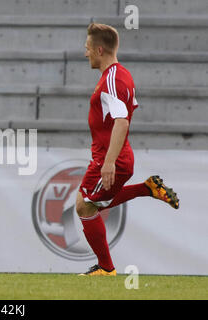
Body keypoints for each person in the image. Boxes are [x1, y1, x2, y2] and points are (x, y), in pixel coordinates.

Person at [77, 23, 179, 276]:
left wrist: (109, 162)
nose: (85, 53)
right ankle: (148, 188)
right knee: (91, 204)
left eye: (88, 48)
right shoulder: (119, 75)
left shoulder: (112, 80)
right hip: (114, 156)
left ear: (100, 49)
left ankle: (106, 269)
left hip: (111, 158)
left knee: (85, 206)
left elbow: (122, 121)